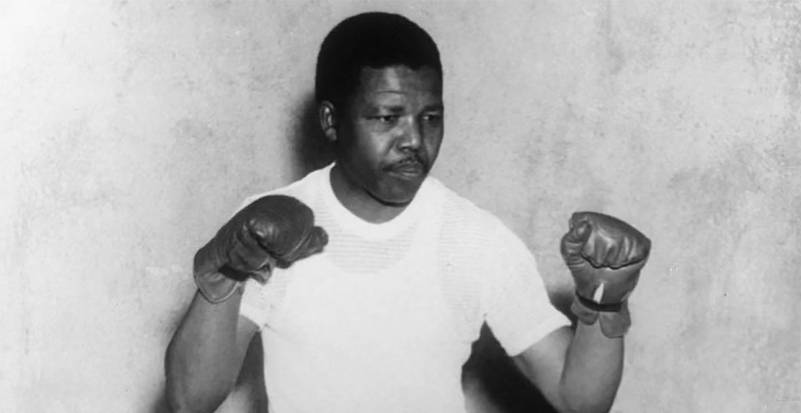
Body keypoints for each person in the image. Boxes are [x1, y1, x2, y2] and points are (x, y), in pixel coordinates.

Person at [164, 11, 651, 413]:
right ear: (332, 121)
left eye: (430, 117)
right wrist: (223, 274)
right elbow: (191, 400)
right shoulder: (275, 226)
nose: (414, 141)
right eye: (386, 118)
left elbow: (578, 400)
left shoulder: (473, 238)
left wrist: (604, 304)